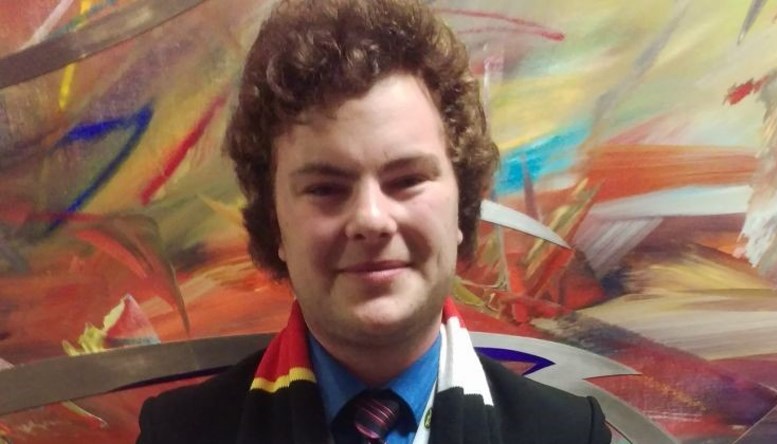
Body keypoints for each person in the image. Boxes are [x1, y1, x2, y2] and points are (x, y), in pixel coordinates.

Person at [137, 0, 612, 443]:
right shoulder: (178, 433)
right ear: (274, 222)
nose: (370, 219)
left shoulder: (568, 434)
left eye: (406, 179)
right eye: (325, 187)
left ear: (462, 207)